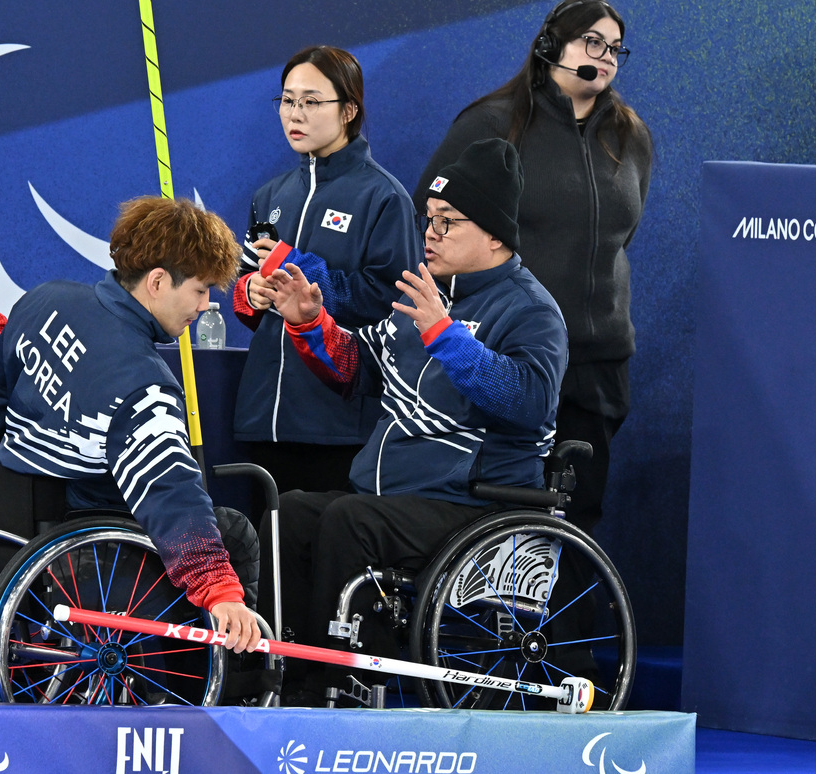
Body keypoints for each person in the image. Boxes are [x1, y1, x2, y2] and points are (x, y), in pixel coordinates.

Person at [260, 139, 568, 702]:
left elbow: (529, 401)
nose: (431, 233)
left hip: (474, 503)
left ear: (495, 235)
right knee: (291, 514)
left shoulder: (530, 310)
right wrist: (310, 323)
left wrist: (445, 337)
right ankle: (283, 678)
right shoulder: (423, 295)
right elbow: (356, 369)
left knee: (349, 521)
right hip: (394, 498)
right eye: (429, 219)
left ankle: (346, 686)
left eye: (448, 222)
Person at [0, 196, 261, 653]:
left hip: (12, 518)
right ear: (158, 281)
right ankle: (236, 675)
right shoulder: (144, 385)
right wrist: (217, 587)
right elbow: (170, 493)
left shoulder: (43, 299)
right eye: (201, 290)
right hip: (94, 545)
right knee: (235, 531)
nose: (205, 305)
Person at [413, 0, 652, 535]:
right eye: (593, 42)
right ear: (550, 46)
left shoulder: (629, 136)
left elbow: (621, 236)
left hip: (596, 368)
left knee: (576, 521)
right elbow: (429, 218)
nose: (606, 57)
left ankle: (562, 598)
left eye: (616, 49)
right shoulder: (493, 122)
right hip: (509, 354)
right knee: (499, 522)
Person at [233, 45, 422, 520]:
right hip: (262, 420)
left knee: (321, 554)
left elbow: (392, 303)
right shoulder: (270, 195)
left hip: (338, 424)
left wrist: (301, 270)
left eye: (311, 101)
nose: (294, 114)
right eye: (287, 100)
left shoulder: (384, 197)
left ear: (349, 110)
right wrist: (251, 293)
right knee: (263, 556)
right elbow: (245, 288)